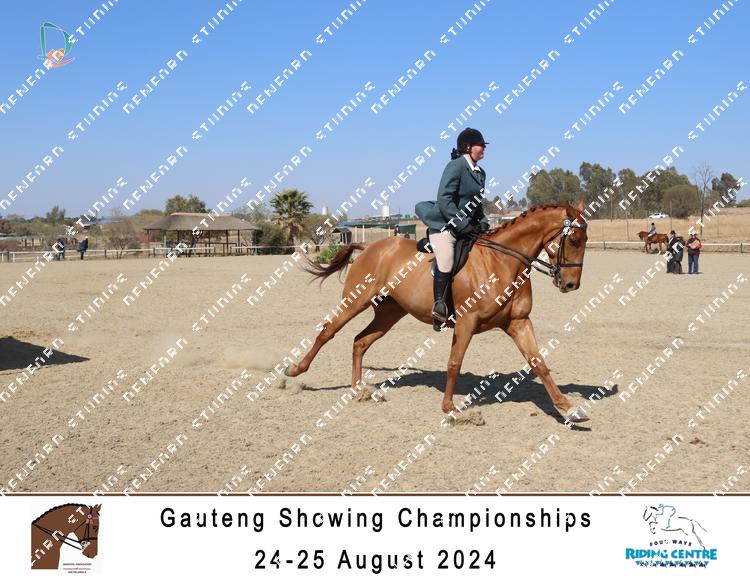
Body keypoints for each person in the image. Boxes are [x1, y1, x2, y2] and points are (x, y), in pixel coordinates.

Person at [414, 127, 491, 329]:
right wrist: (462, 224)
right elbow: (444, 199)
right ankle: (439, 307)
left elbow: (476, 204)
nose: (483, 148)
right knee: (446, 260)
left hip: (466, 227)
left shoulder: (480, 173)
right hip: (445, 224)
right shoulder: (456, 166)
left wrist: (483, 221)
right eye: (480, 145)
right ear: (468, 147)